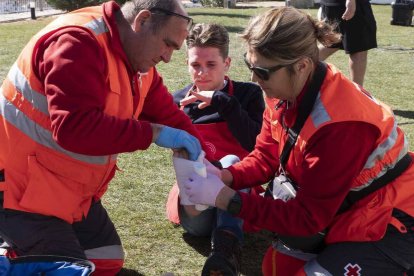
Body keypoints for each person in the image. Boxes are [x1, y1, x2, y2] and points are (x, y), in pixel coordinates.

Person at [183, 7, 414, 276]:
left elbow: (307, 218)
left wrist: (227, 199)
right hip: (347, 209)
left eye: (261, 71)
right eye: (250, 65)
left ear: (302, 65)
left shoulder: (341, 123)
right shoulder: (284, 89)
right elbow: (266, 156)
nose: (253, 79)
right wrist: (224, 175)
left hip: (393, 223)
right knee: (274, 268)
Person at [0, 0, 212, 274]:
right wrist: (154, 133)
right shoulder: (77, 42)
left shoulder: (137, 61)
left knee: (106, 261)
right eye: (168, 44)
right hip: (21, 194)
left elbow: (168, 114)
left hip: (67, 191)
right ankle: (9, 253)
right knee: (68, 269)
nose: (168, 57)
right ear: (142, 20)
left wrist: (207, 160)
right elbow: (74, 127)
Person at [165, 23, 265, 275]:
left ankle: (224, 249)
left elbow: (255, 144)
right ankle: (225, 242)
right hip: (196, 210)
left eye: (211, 65)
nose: (201, 73)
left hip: (238, 200)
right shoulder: (178, 101)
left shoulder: (248, 94)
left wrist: (224, 102)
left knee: (232, 160)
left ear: (227, 63)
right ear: (186, 62)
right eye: (195, 65)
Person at [318, 0, 377, 86]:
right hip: (350, 5)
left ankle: (298, 66)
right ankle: (357, 93)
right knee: (358, 51)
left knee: (332, 43)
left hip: (330, 4)